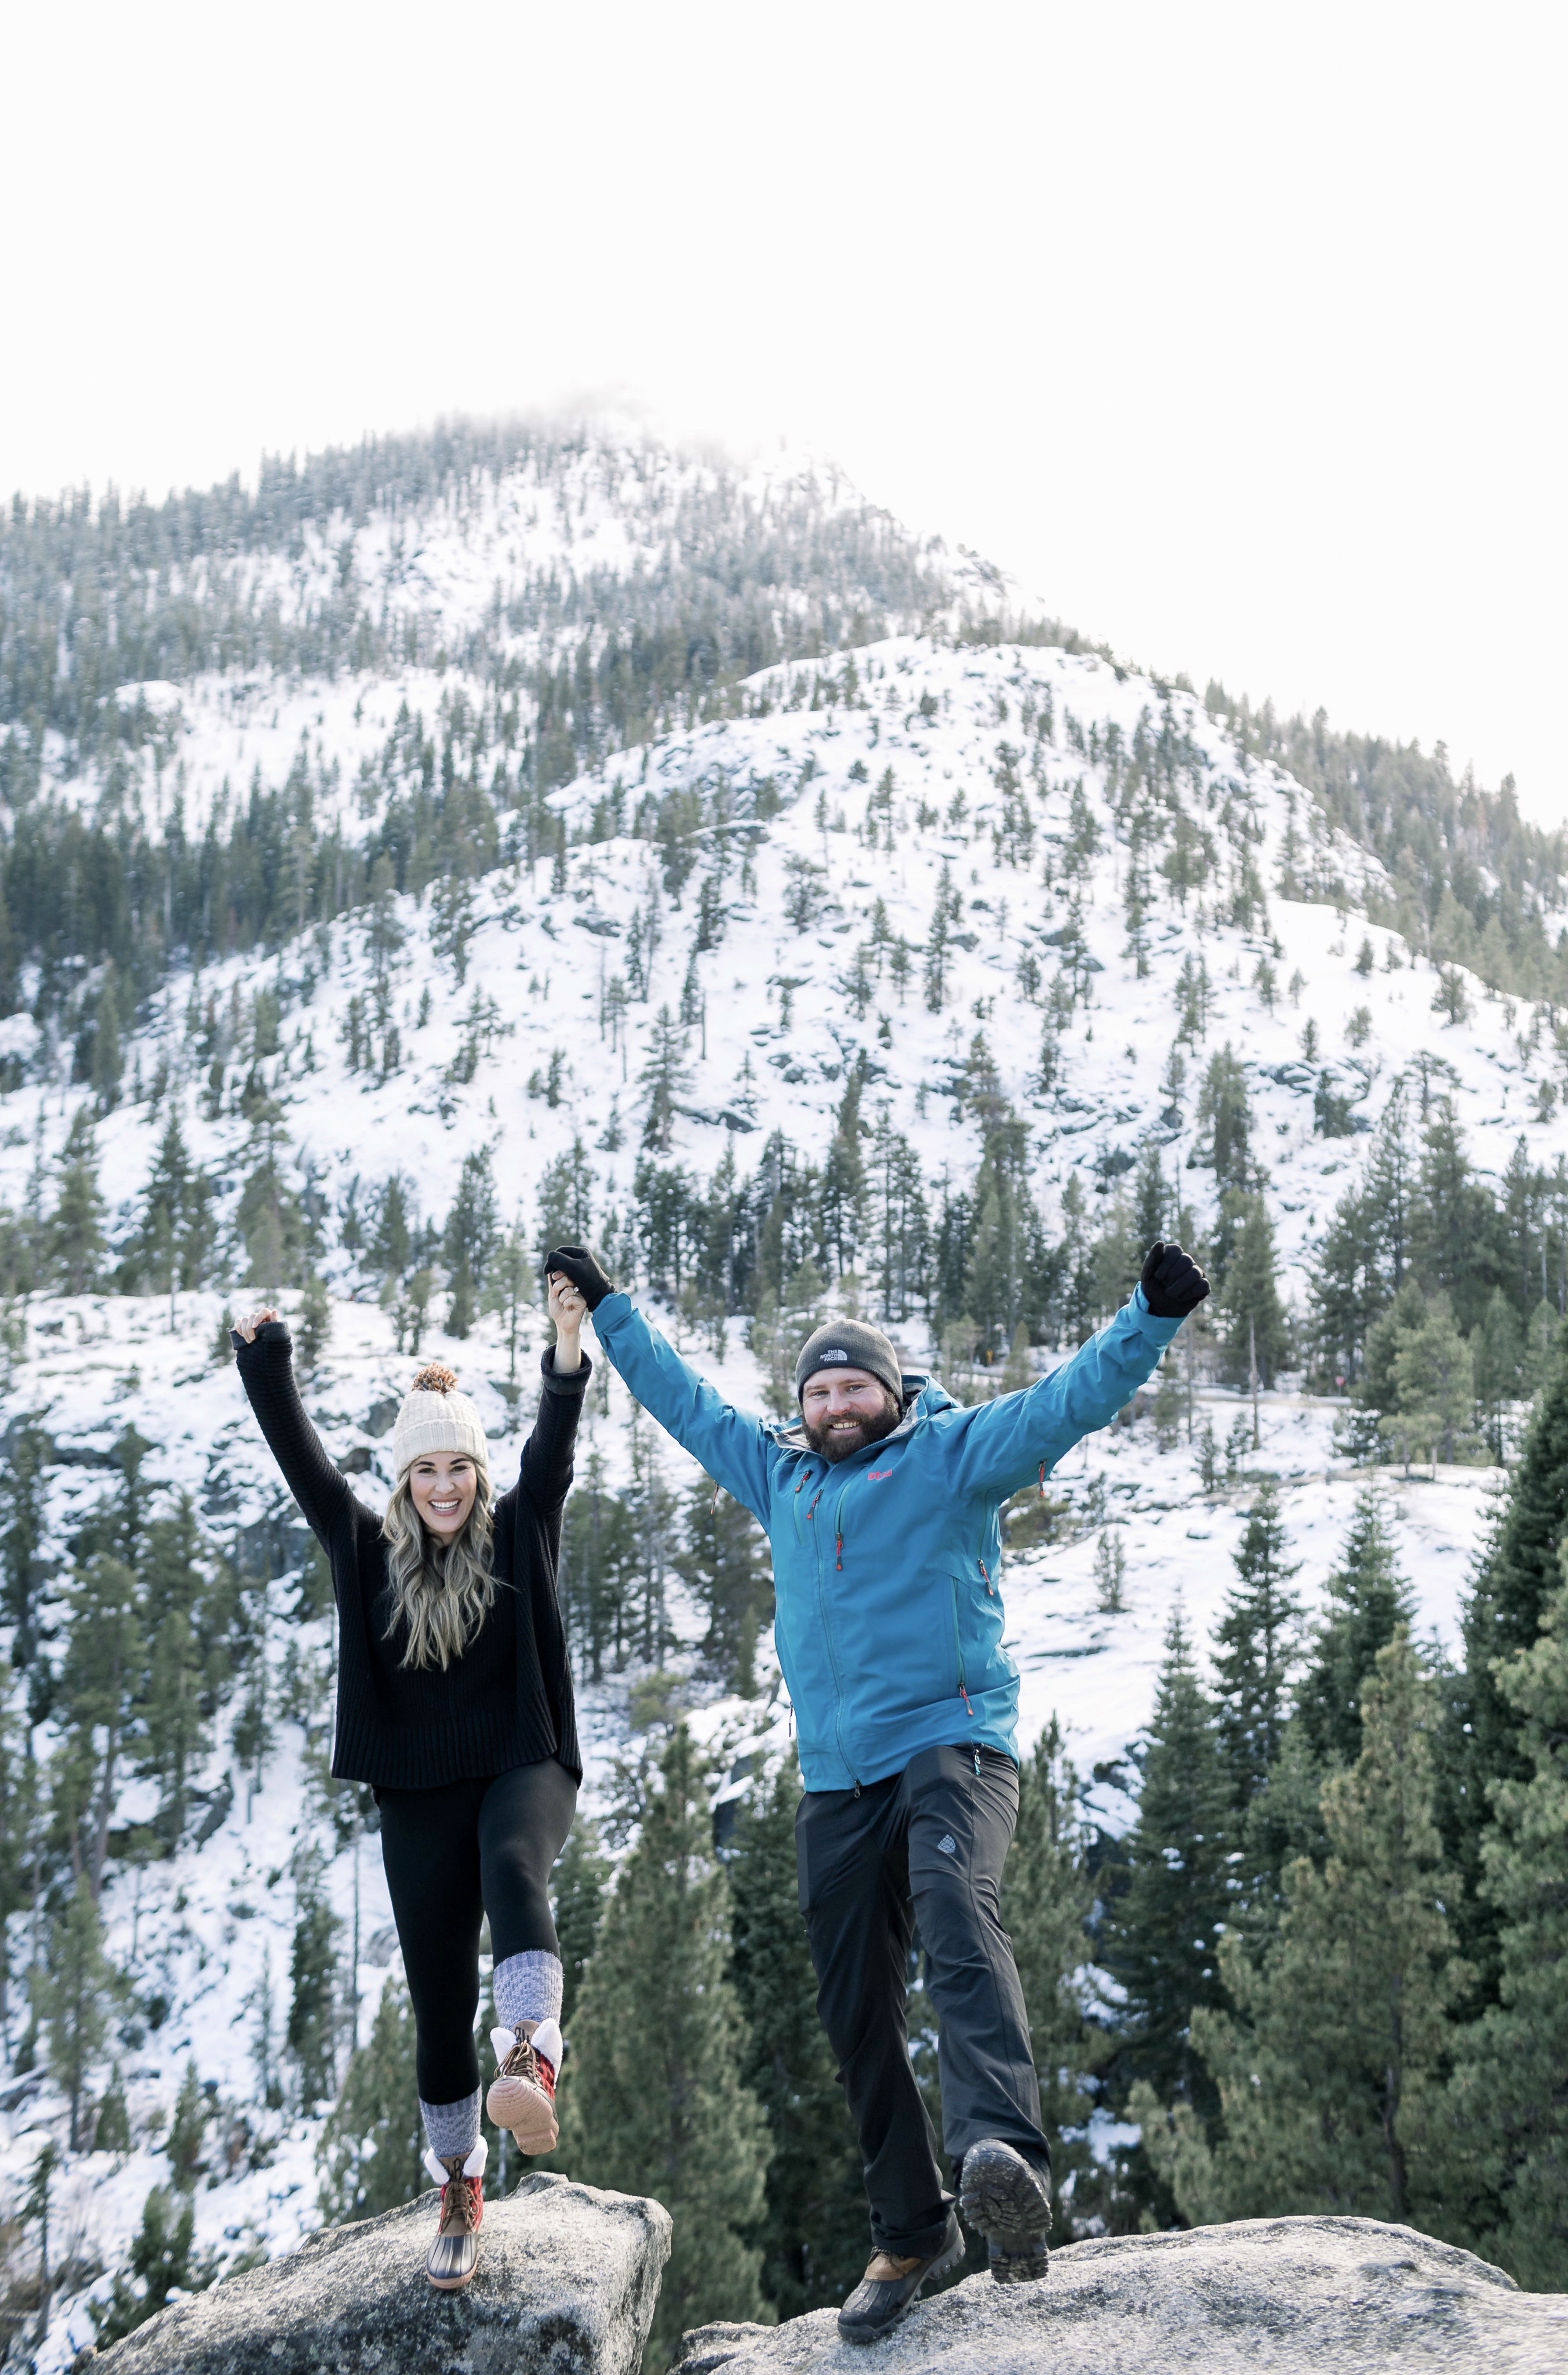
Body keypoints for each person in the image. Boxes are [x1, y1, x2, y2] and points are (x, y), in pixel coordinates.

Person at [545, 1237, 1209, 2343]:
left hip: (952, 1745)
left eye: (855, 1386)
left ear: (892, 1394)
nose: (836, 1404)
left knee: (956, 1911)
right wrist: (610, 1313)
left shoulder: (951, 1455)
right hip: (837, 1777)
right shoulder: (779, 1472)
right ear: (800, 1409)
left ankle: (1001, 2163)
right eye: (818, 1390)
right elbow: (683, 1400)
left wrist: (1149, 1314)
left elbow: (1063, 1406)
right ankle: (909, 2229)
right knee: (853, 2003)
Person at [232, 1271, 592, 2290]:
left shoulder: (520, 1530)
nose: (445, 1488)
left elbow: (550, 1456)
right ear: (402, 1480)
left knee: (515, 1865)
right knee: (436, 2001)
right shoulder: (363, 1547)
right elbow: (302, 1461)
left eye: (459, 1469)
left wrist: (565, 1347)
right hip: (417, 1791)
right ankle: (460, 2180)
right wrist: (265, 1357)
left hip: (524, 1760)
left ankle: (529, 2056)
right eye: (425, 1471)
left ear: (478, 1472)